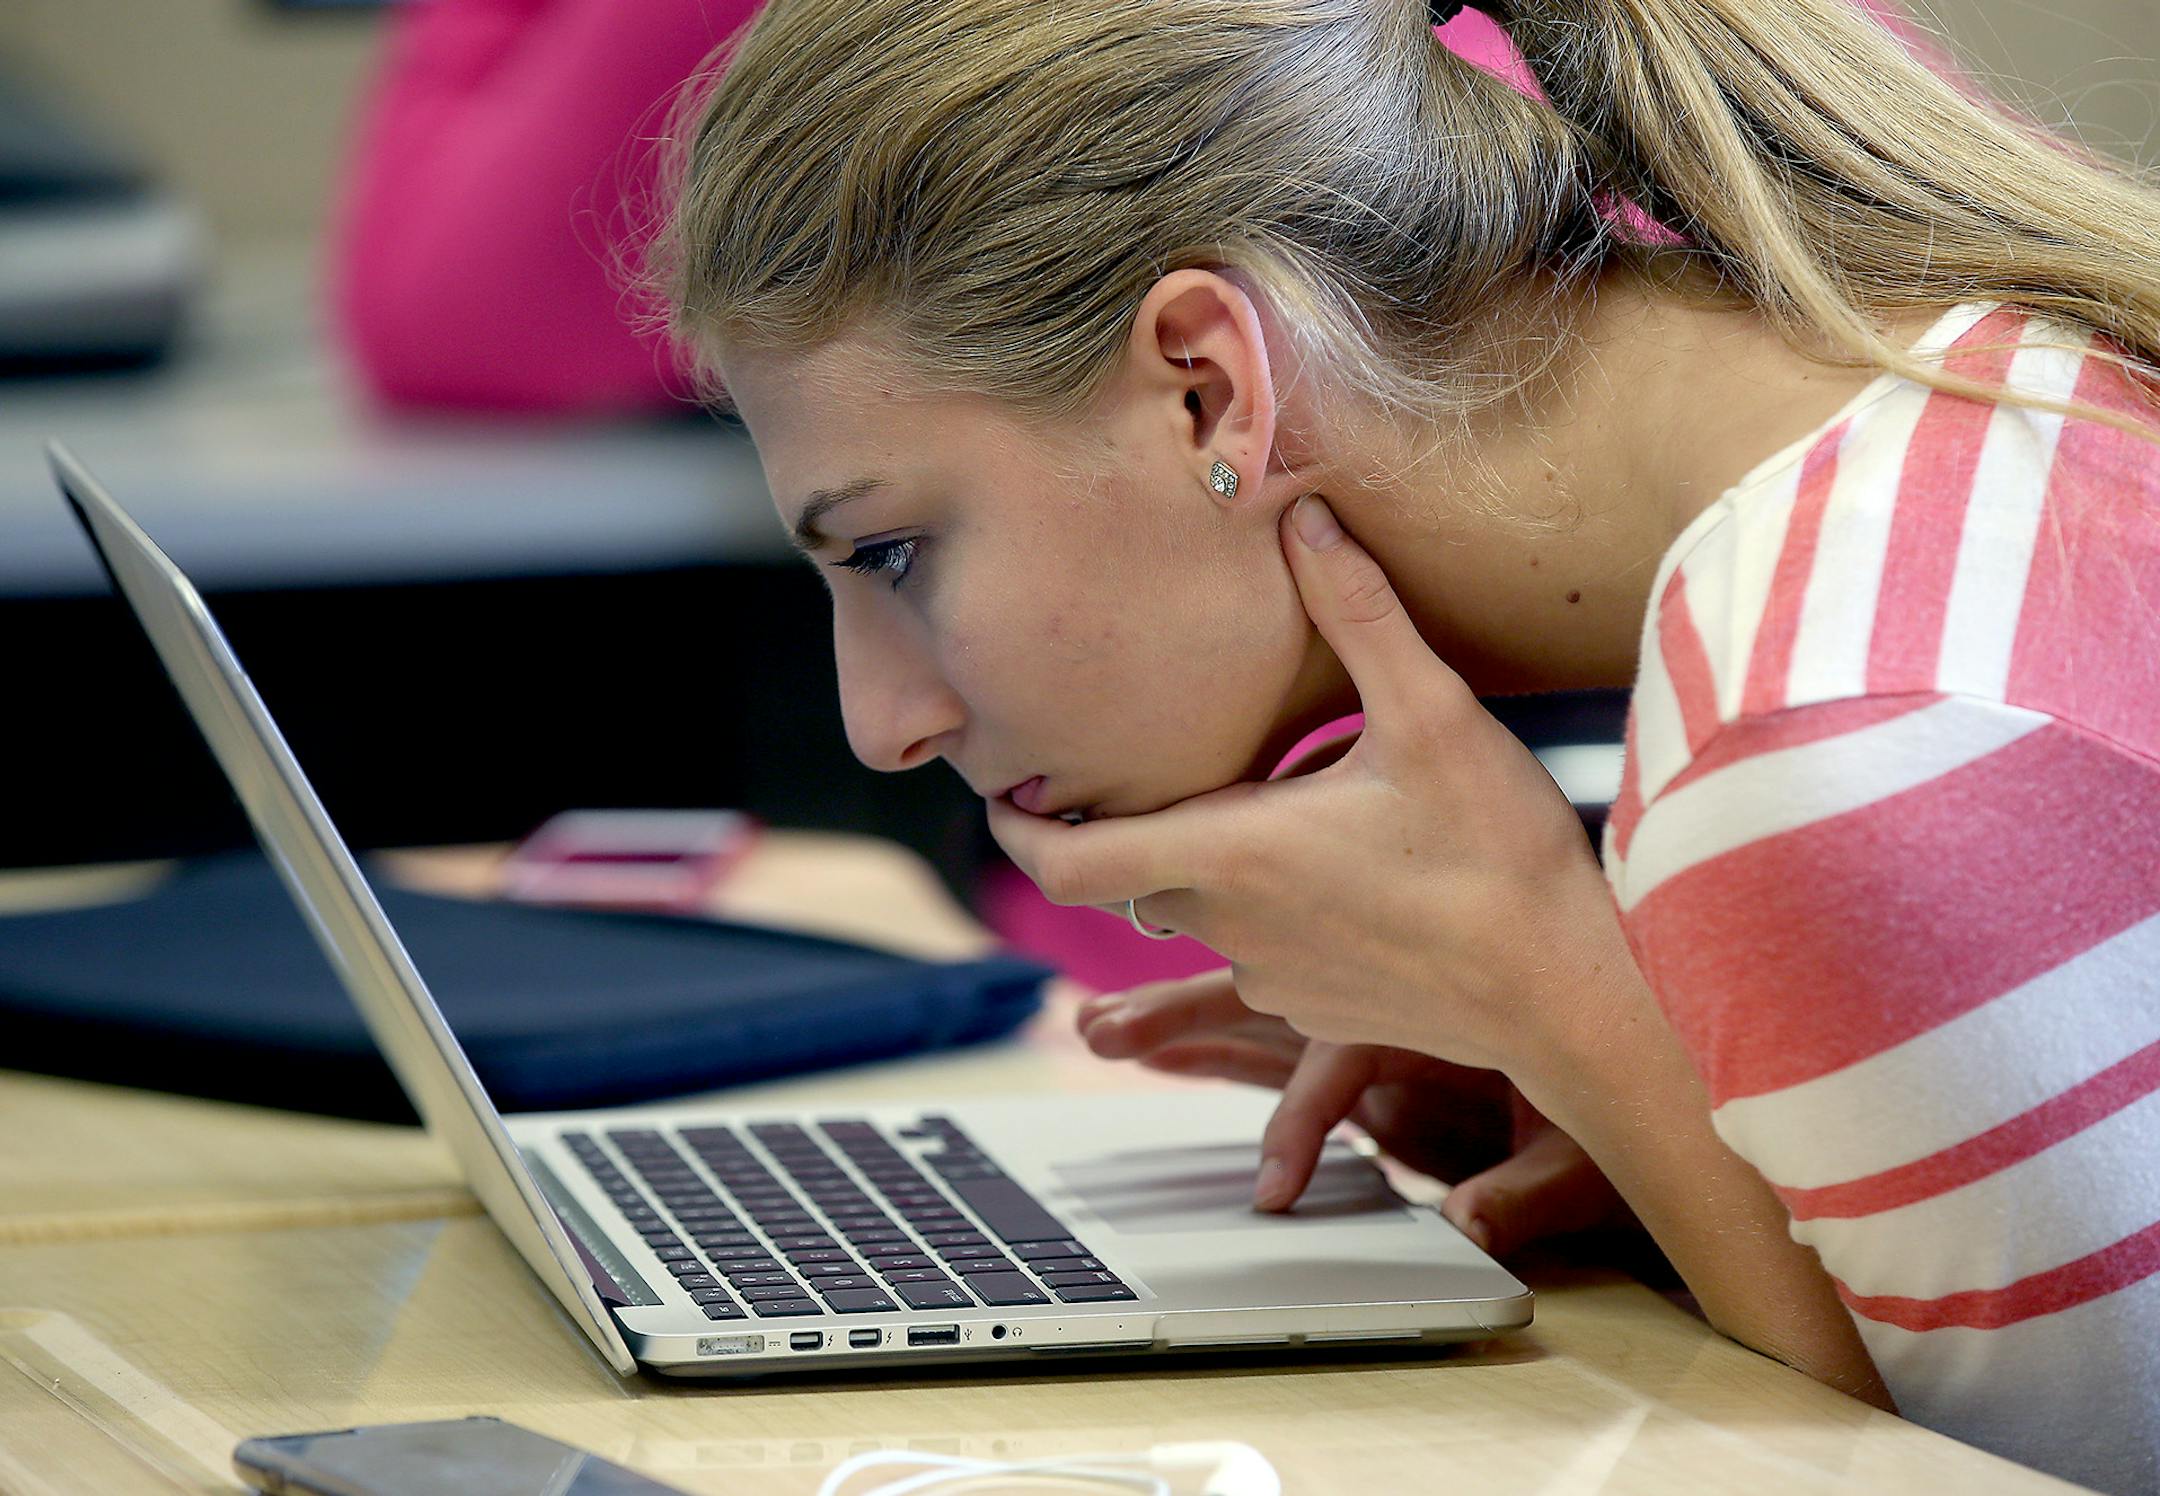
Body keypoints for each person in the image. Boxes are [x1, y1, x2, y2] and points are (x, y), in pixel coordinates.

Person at [651, 0, 2160, 1488]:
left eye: (896, 553)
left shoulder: (1836, 740)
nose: (882, 724)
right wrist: (1608, 1097)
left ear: (1208, 388)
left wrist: (1557, 991)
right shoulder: (1937, 406)